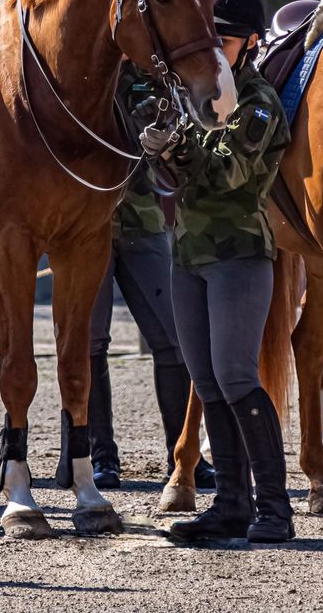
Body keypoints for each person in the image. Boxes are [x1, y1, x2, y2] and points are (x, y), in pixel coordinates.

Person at [141, 0, 293, 544]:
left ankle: (274, 508)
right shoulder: (199, 98)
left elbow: (226, 171)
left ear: (251, 43)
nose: (215, 49)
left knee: (235, 376)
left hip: (238, 254)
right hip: (190, 253)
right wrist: (157, 140)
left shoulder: (255, 104)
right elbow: (177, 171)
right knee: (205, 382)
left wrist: (175, 147)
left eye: (225, 40)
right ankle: (231, 503)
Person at [87, 66, 213, 490]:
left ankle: (181, 455)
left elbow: (183, 152)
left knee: (174, 340)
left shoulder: (154, 76)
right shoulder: (79, 74)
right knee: (89, 344)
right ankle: (97, 457)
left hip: (141, 219)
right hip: (85, 227)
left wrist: (163, 134)